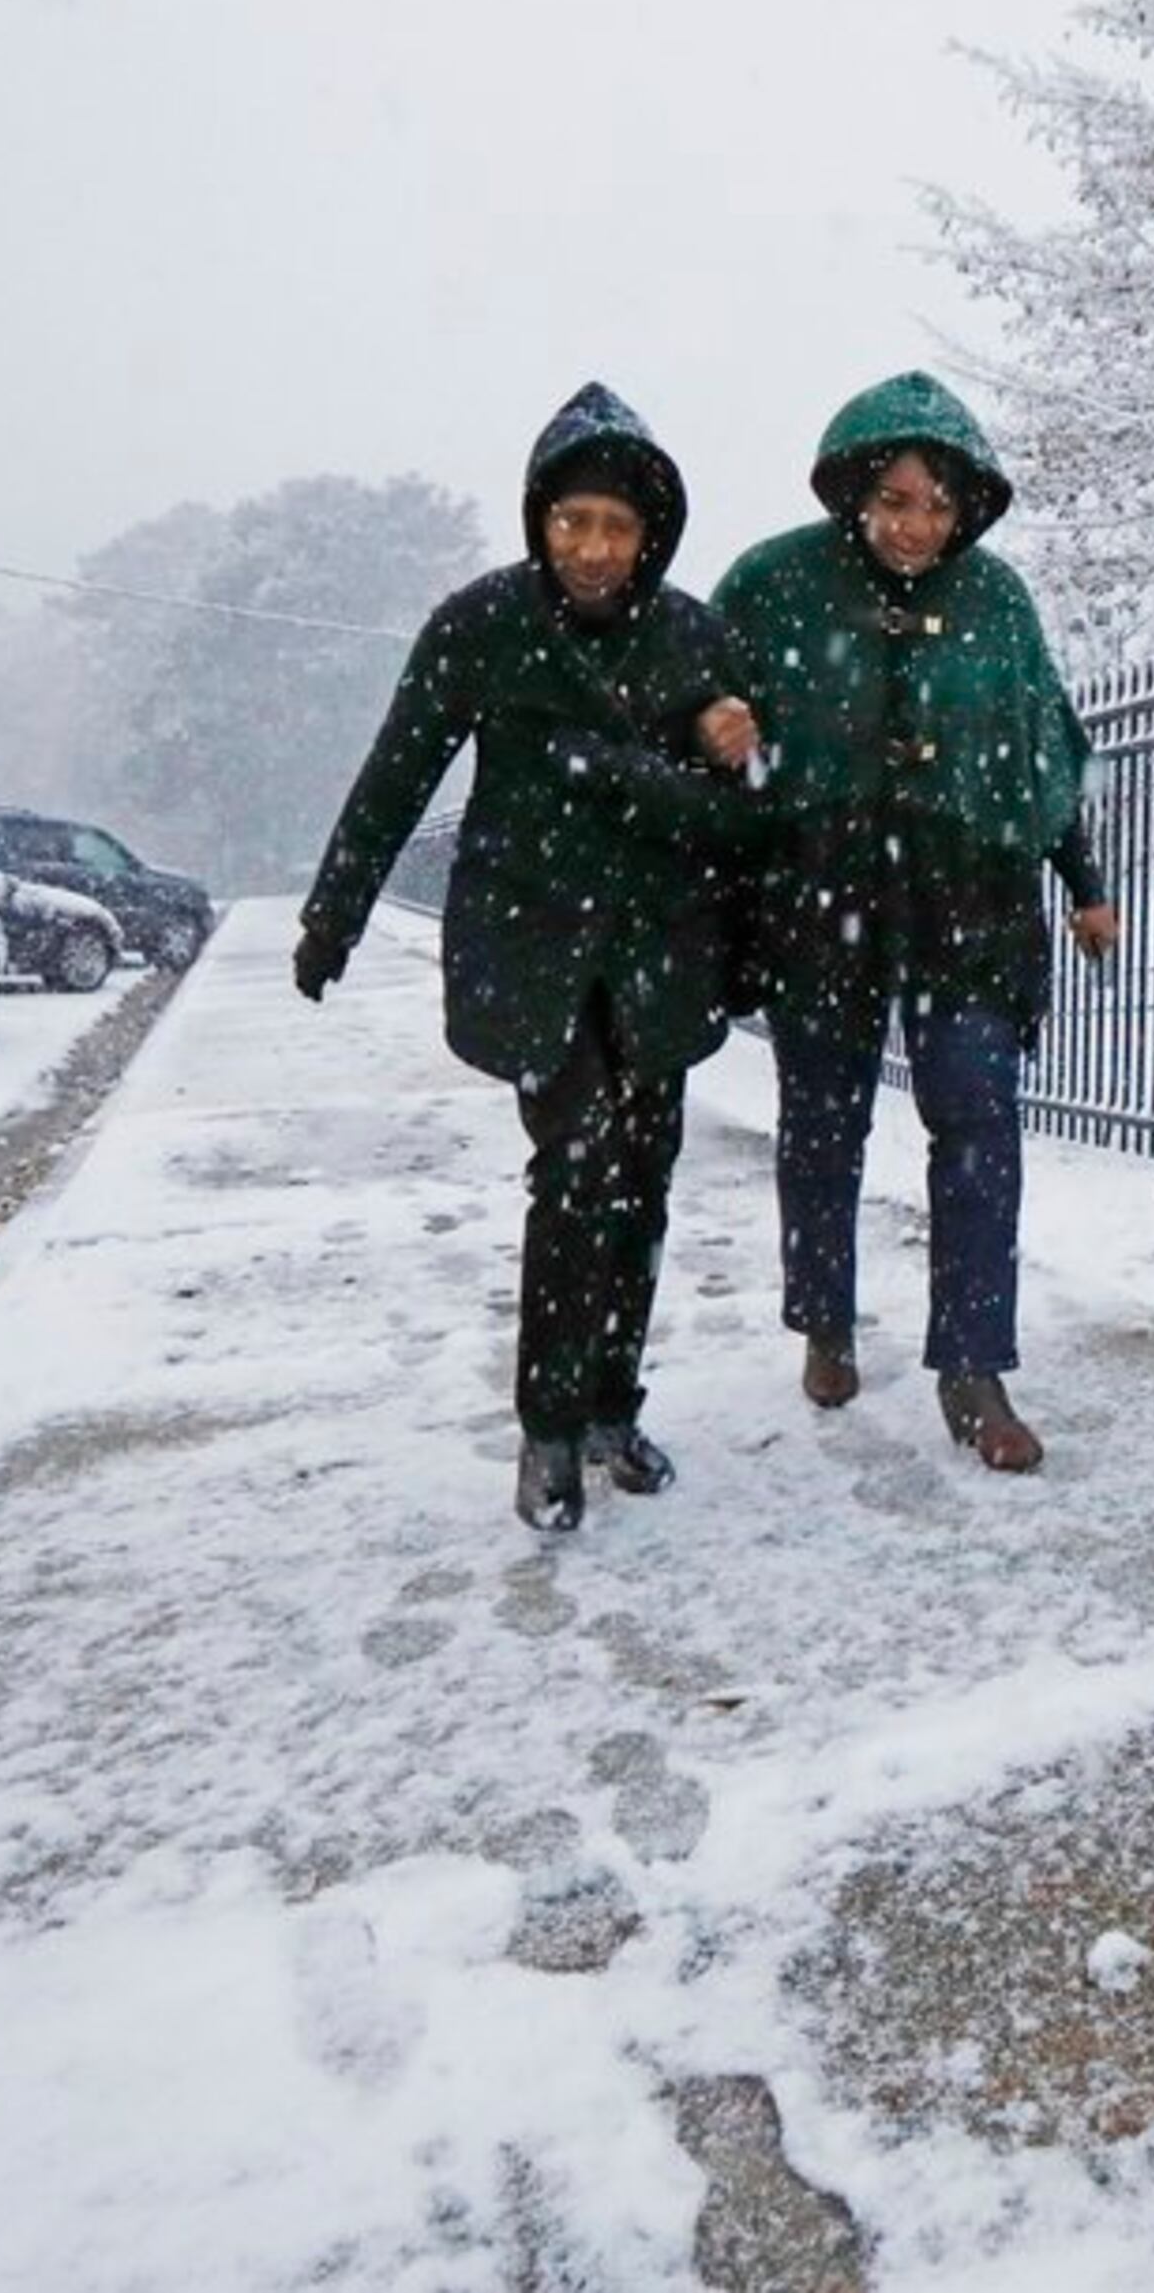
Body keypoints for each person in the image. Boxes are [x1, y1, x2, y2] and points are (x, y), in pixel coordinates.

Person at [291, 380, 758, 1532]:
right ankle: (546, 1428)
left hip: (655, 949)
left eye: (615, 526)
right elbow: (399, 768)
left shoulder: (694, 634)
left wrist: (730, 743)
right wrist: (333, 914)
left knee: (643, 1175)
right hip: (534, 940)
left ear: (651, 534)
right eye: (572, 522)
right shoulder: (481, 624)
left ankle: (611, 1405)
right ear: (539, 521)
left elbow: (746, 808)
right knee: (576, 1168)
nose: (592, 548)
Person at [707, 371, 1116, 1473]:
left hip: (968, 907)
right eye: (894, 498)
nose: (915, 524)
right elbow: (691, 691)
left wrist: (1084, 880)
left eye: (936, 503)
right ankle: (827, 1319)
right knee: (823, 1127)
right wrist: (714, 725)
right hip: (822, 902)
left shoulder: (997, 602)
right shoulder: (773, 584)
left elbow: (1045, 751)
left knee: (978, 1125)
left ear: (967, 504)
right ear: (856, 493)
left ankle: (974, 1365)